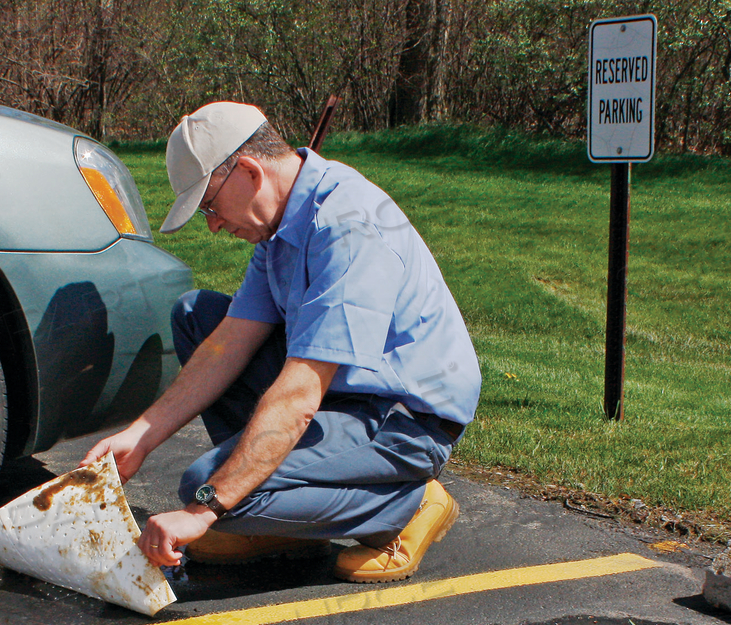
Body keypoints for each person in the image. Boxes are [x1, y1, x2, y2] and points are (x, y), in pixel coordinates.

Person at [82, 101, 481, 582]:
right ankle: (281, 515)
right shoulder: (280, 225)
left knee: (204, 487)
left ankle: (409, 505)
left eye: (209, 205)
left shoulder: (346, 229)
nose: (211, 224)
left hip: (403, 419)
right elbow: (228, 343)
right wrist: (140, 436)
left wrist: (206, 508)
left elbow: (299, 396)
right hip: (346, 393)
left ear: (249, 171)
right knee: (196, 317)